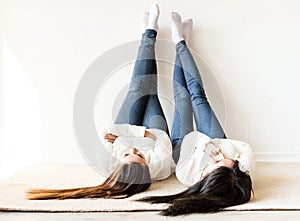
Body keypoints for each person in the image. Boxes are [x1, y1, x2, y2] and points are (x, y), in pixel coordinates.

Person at [26, 4, 175, 200]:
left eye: (127, 154)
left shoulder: (107, 164)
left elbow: (105, 131)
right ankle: (148, 34)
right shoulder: (160, 169)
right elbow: (162, 137)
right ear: (148, 168)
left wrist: (136, 138)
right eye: (140, 156)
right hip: (147, 133)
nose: (134, 150)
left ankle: (148, 34)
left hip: (140, 135)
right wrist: (138, 135)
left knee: (137, 90)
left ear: (118, 164)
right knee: (151, 93)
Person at [138, 11, 255, 216]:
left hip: (184, 145)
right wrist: (221, 150)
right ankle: (180, 42)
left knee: (182, 97)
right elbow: (244, 147)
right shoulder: (240, 168)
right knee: (198, 95)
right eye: (230, 162)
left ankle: (180, 43)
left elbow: (195, 142)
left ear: (204, 178)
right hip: (217, 139)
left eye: (217, 163)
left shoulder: (187, 175)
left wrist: (209, 153)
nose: (220, 158)